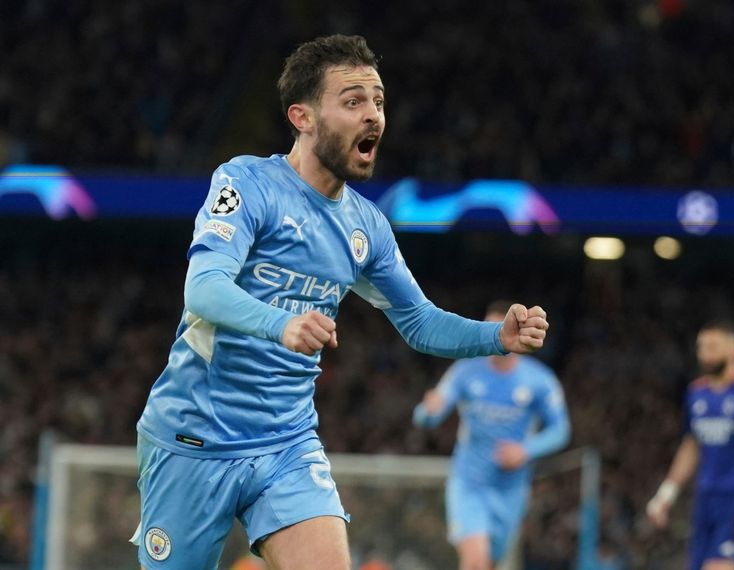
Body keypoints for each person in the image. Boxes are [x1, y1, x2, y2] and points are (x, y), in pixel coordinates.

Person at [130, 35, 550, 570]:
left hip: (286, 444)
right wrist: (281, 324)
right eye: (353, 101)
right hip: (193, 437)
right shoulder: (247, 182)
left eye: (377, 101)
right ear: (302, 117)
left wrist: (497, 336)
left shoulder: (366, 226)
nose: (373, 115)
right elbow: (204, 288)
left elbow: (419, 322)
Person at [412, 300, 570, 570]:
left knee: (488, 563)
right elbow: (427, 415)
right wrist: (428, 411)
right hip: (469, 482)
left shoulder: (539, 380)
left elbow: (561, 430)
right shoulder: (465, 370)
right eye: (491, 328)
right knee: (475, 561)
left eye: (503, 327)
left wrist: (526, 451)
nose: (497, 334)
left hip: (510, 489)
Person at [646, 321, 734, 570]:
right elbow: (692, 444)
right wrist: (666, 494)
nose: (704, 353)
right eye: (701, 347)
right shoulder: (696, 393)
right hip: (704, 501)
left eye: (713, 346)